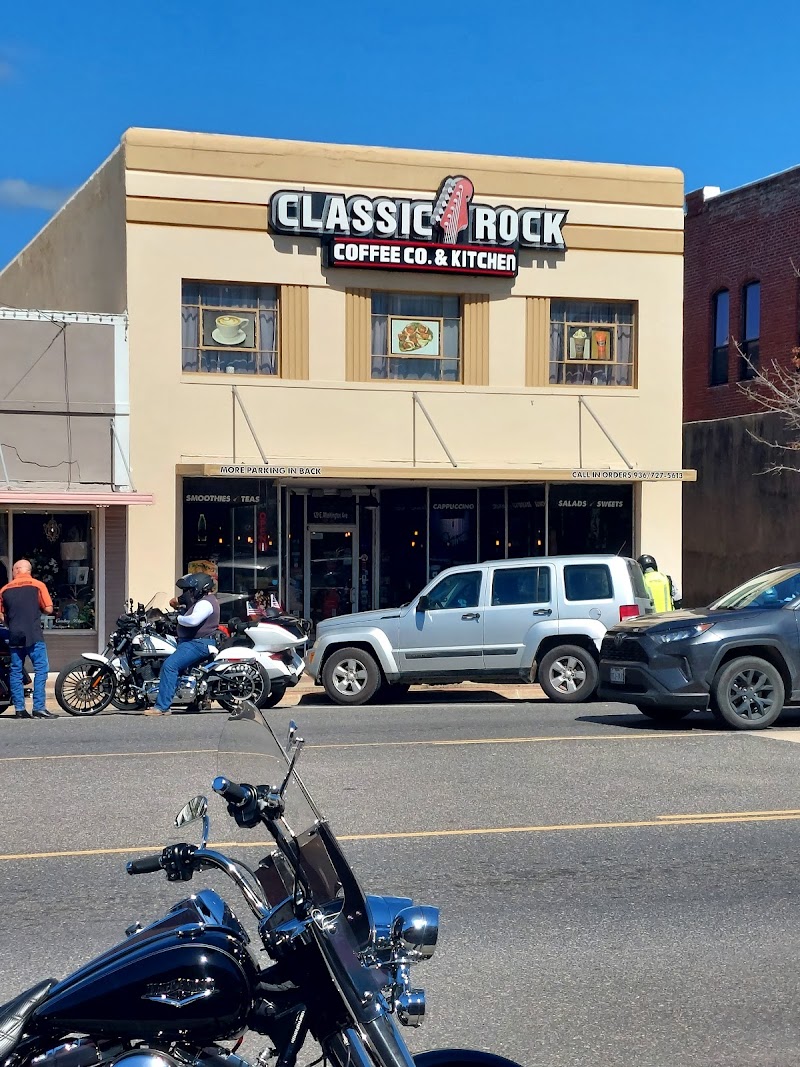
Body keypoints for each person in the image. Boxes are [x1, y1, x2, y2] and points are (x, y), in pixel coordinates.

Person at [145, 573, 220, 716]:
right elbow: (176, 603)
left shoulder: (205, 603)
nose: (188, 593)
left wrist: (177, 618)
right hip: (192, 642)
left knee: (170, 666)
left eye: (191, 589)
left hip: (197, 643)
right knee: (188, 672)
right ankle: (197, 701)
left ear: (199, 588)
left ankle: (162, 707)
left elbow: (193, 621)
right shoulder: (201, 601)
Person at [0, 559, 55, 718]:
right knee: (41, 669)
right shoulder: (38, 585)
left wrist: (11, 623)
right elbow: (48, 608)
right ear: (27, 570)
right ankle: (39, 707)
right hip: (33, 635)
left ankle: (19, 709)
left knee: (15, 671)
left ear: (16, 570)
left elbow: (1, 615)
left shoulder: (4, 589)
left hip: (15, 635)